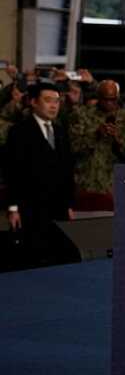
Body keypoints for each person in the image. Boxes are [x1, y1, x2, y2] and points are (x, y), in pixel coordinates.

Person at [2, 83, 77, 266]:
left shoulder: (60, 131)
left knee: (61, 258)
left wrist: (68, 204)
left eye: (57, 101)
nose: (53, 106)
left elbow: (67, 169)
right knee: (34, 259)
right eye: (48, 100)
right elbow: (12, 172)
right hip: (30, 208)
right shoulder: (19, 131)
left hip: (58, 207)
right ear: (34, 102)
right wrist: (13, 208)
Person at [68, 79, 125, 209]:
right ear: (98, 97)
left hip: (114, 184)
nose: (109, 103)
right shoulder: (81, 115)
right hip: (85, 182)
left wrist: (117, 139)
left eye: (113, 99)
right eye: (105, 99)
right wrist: (96, 135)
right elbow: (73, 147)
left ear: (118, 98)